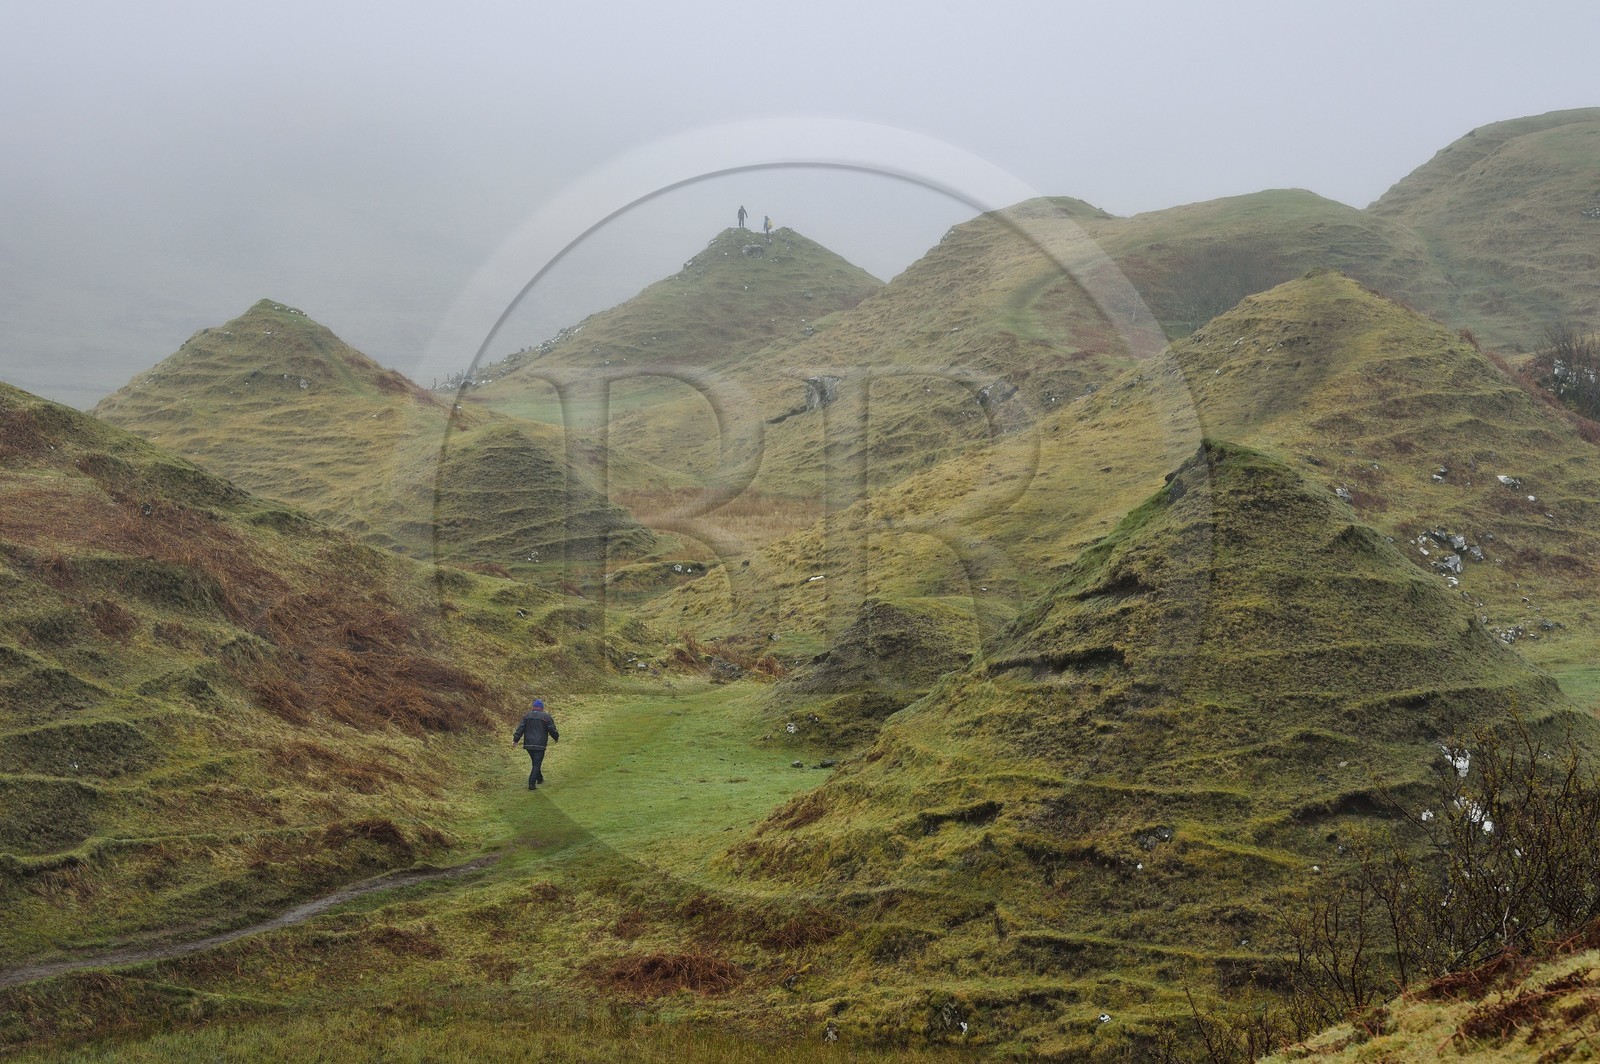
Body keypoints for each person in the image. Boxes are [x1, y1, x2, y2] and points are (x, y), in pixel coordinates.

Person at [511, 698, 559, 790]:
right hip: (540, 744)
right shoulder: (546, 716)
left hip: (528, 744)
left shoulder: (527, 716)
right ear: (542, 708)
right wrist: (556, 737)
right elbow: (551, 729)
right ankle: (531, 784)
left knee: (535, 762)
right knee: (537, 763)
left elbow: (521, 728)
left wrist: (515, 740)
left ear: (533, 707)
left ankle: (540, 778)